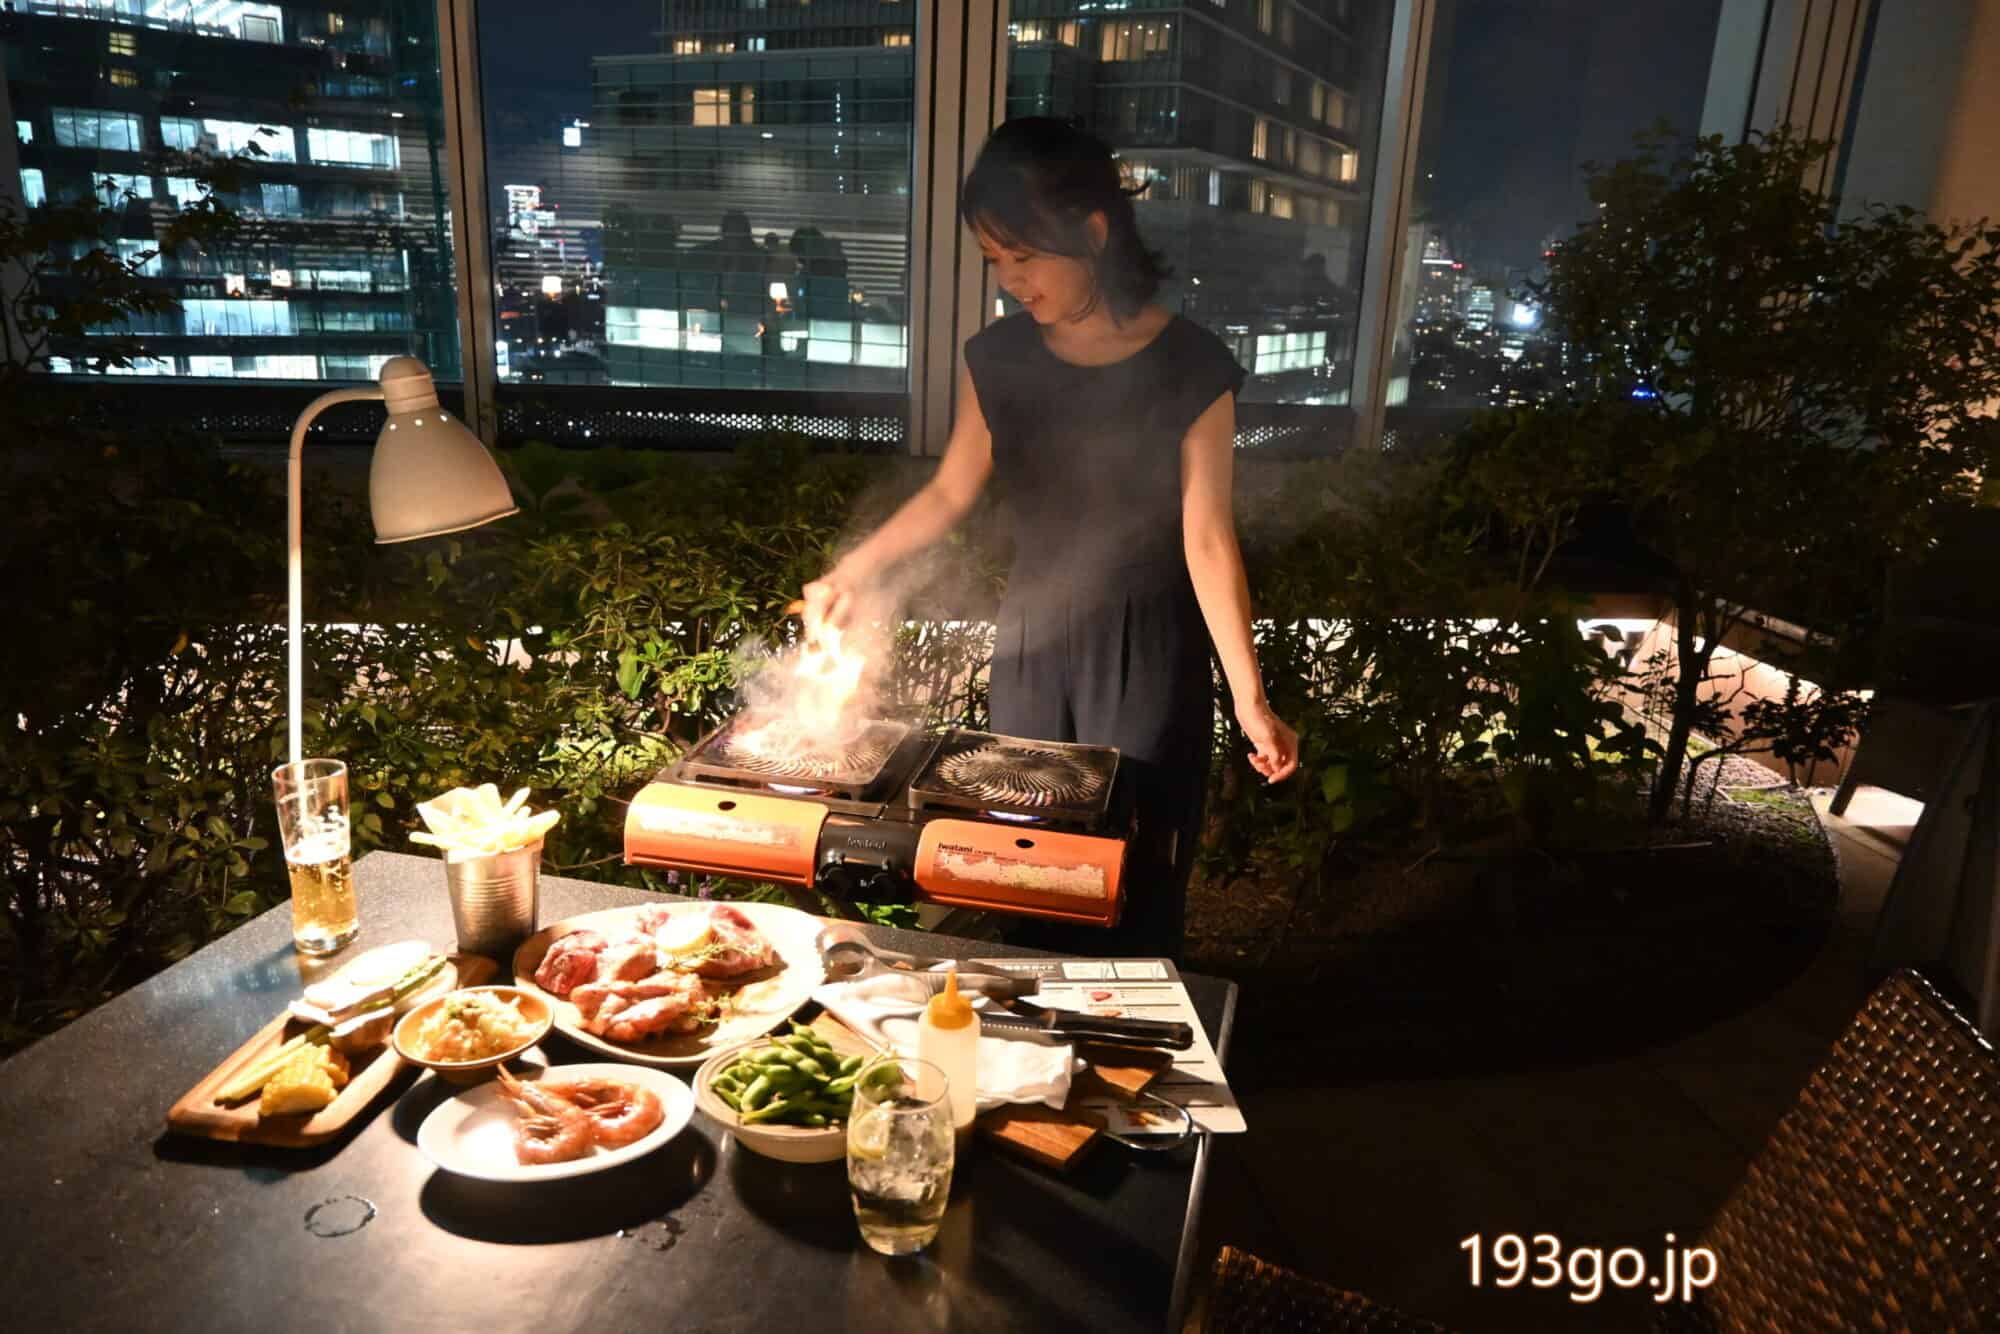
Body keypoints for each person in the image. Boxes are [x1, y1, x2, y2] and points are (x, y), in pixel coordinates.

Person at [803, 118, 1299, 959]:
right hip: (1032, 645)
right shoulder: (997, 357)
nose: (1010, 281)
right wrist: (854, 569)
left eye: (1024, 257)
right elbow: (951, 489)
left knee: (1134, 873)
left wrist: (1251, 700)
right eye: (995, 260)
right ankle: (1026, 1028)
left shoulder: (1193, 365)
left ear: (1094, 233)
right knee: (1026, 866)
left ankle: (1127, 1029)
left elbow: (1208, 538)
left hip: (1149, 653)